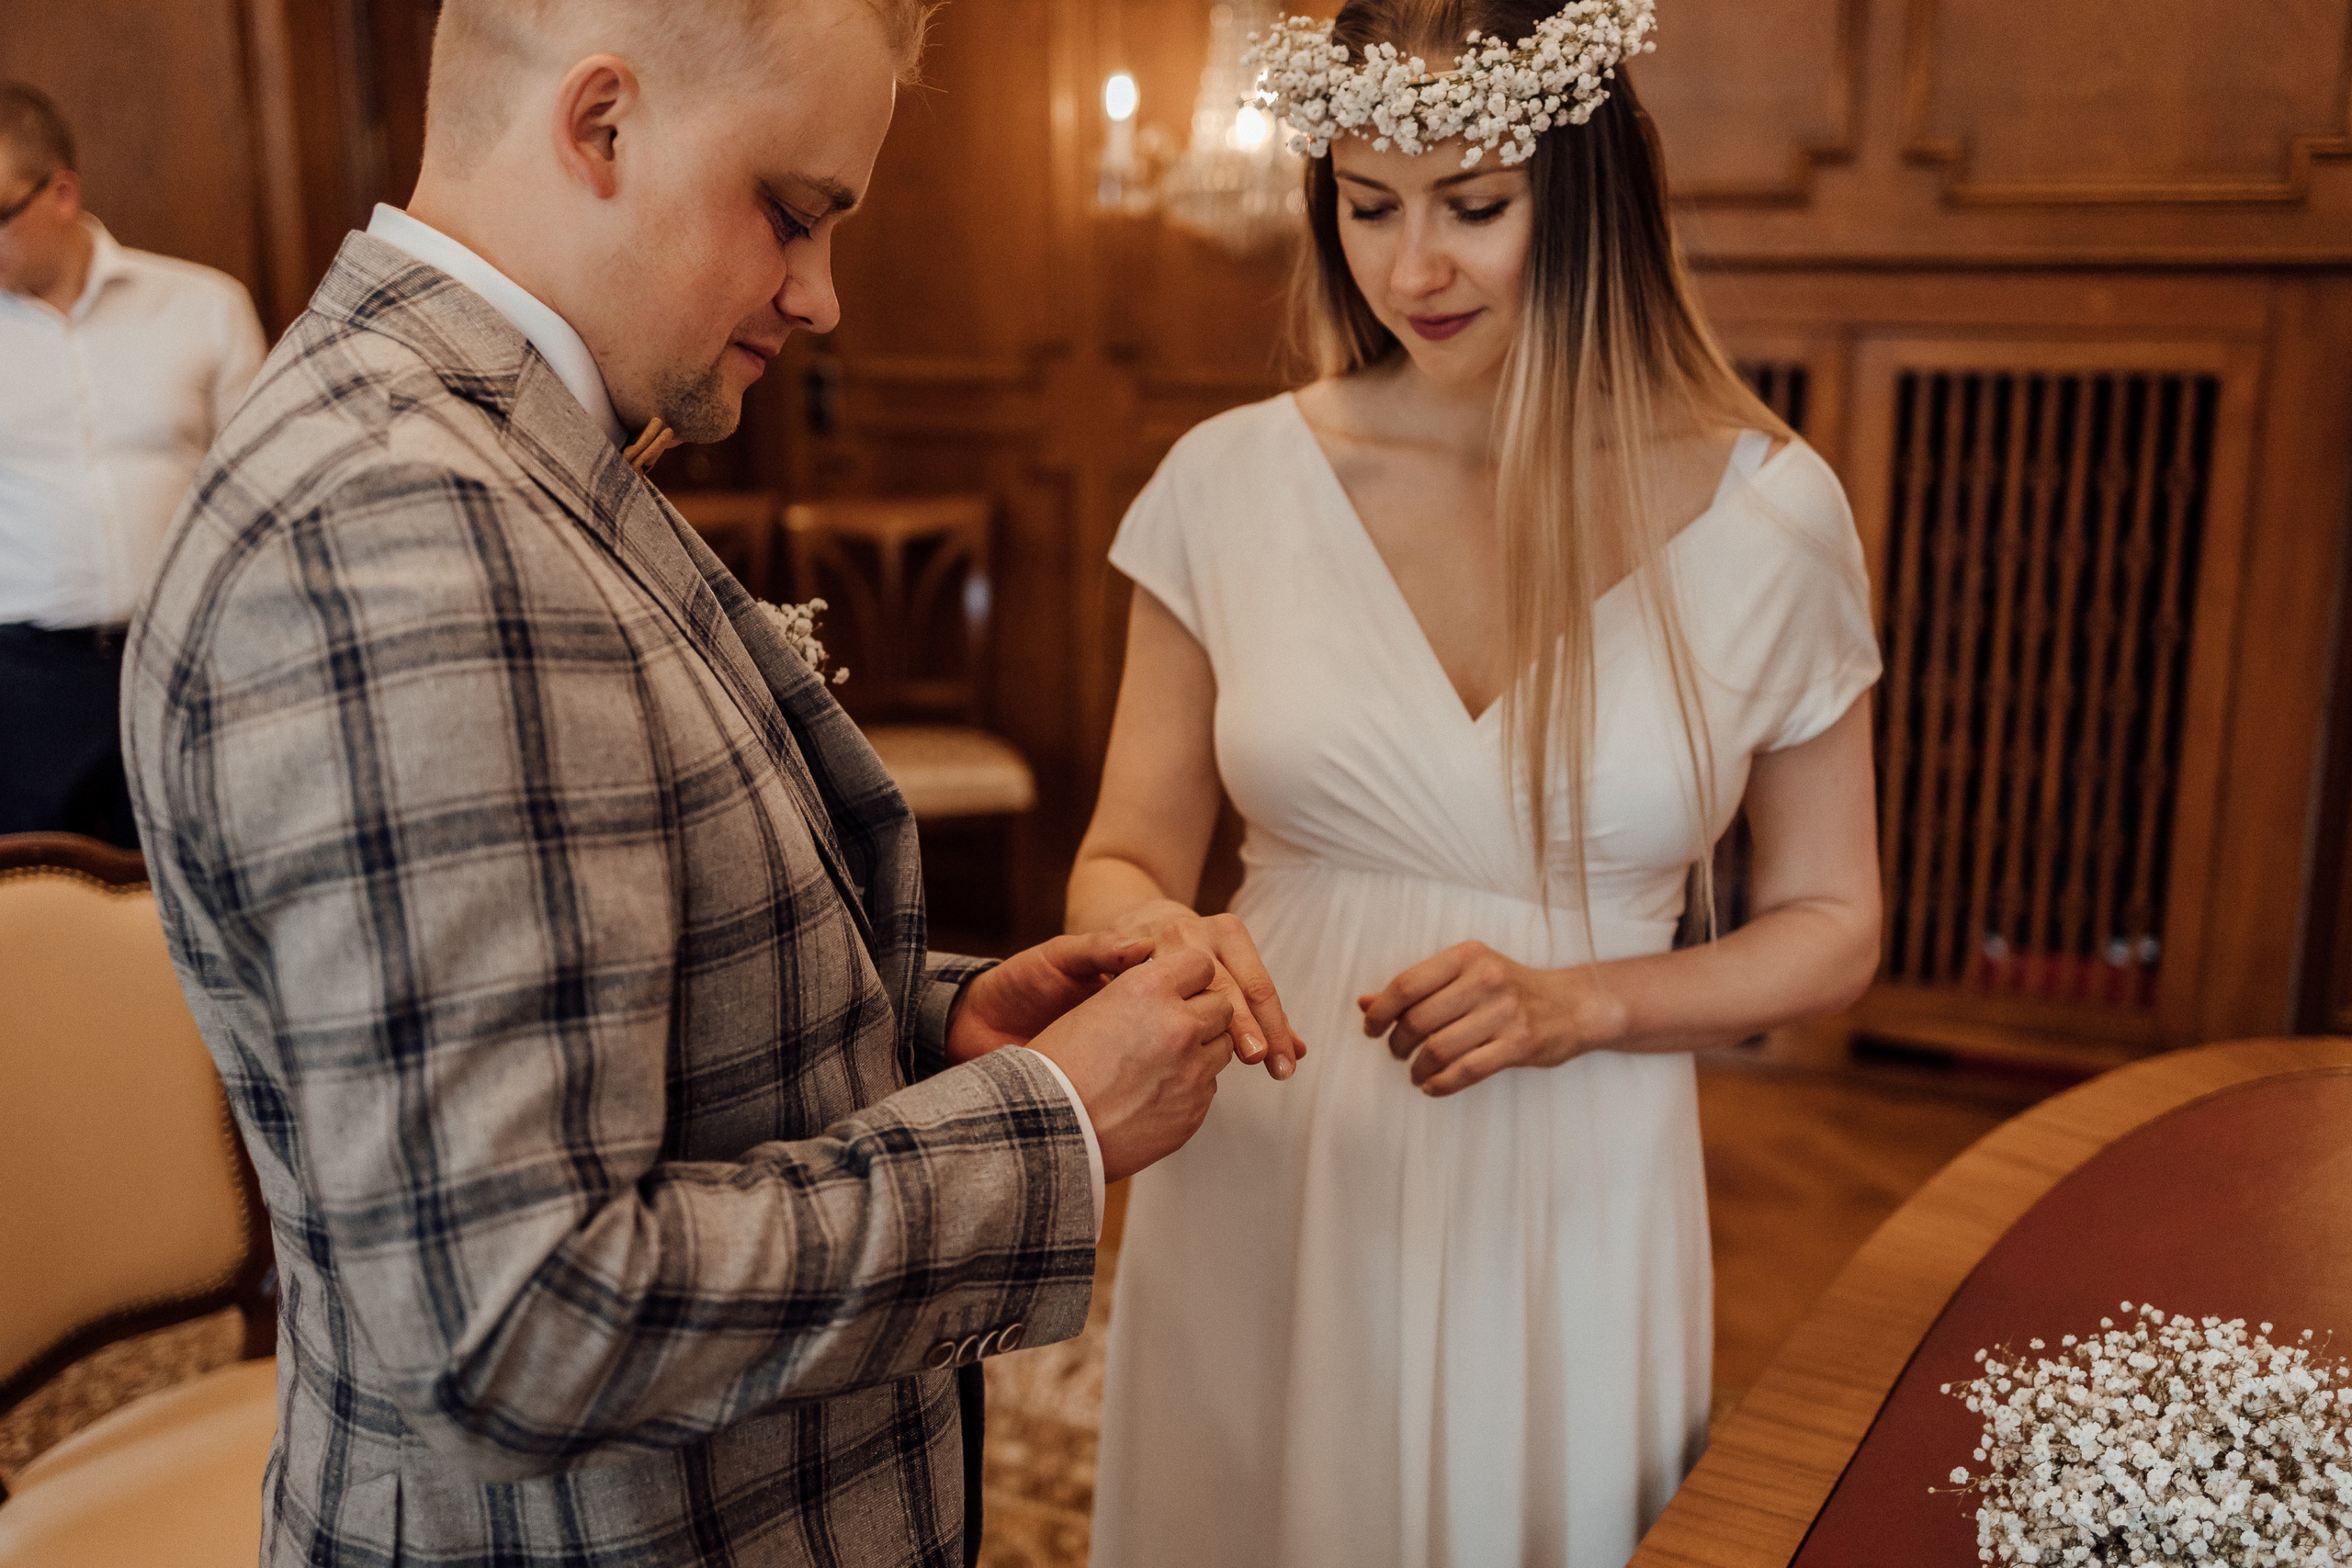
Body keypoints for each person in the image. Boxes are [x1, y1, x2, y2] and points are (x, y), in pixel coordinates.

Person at [121, 2, 1258, 1564]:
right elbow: (517, 1323)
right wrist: (1045, 1123)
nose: (822, 293)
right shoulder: (404, 529)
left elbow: (621, 996)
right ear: (602, 126)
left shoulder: (505, 450)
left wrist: (940, 1025)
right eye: (791, 215)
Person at [1069, 0, 1886, 1562]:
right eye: (1369, 207)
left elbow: (1835, 919)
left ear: (1585, 196)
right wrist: (1158, 931)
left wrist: (1589, 1004)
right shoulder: (1226, 483)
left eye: (1475, 208)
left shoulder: (1772, 514)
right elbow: (1123, 851)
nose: (1412, 269)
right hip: (1269, 1136)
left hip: (1571, 1167)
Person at [0, 81, 265, 849]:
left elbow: (255, 494)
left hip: (183, 659)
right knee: (29, 917)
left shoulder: (204, 306)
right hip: (24, 677)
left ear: (61, 192)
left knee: (195, 872)